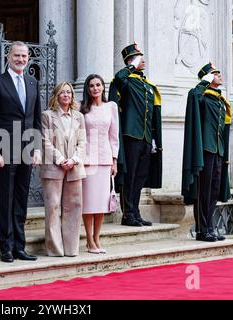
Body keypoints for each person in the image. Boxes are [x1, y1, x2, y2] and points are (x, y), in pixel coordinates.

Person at [0, 41, 42, 263]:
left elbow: (36, 119)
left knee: (21, 199)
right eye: (16, 55)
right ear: (8, 57)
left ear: (28, 58)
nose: (20, 59)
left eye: (24, 56)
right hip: (5, 146)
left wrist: (36, 148)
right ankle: (6, 248)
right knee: (6, 199)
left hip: (27, 147)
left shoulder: (32, 82)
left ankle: (20, 246)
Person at [111, 42, 163, 228]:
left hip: (146, 138)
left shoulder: (147, 85)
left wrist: (155, 140)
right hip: (131, 135)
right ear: (130, 61)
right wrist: (130, 66)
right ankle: (128, 214)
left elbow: (152, 114)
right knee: (130, 176)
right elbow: (118, 79)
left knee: (140, 177)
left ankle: (136, 212)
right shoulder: (126, 81)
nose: (144, 61)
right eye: (139, 58)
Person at [182, 62, 232, 242]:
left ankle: (209, 227)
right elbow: (192, 95)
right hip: (205, 150)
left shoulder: (218, 99)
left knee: (213, 191)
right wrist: (204, 82)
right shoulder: (201, 96)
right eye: (215, 74)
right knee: (203, 191)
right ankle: (202, 230)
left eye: (218, 73)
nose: (219, 75)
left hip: (217, 149)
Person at [41, 82, 86, 257]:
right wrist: (60, 160)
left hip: (74, 167)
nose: (66, 95)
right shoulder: (47, 116)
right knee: (53, 207)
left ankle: (71, 248)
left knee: (74, 207)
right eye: (62, 92)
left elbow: (83, 142)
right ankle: (55, 249)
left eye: (69, 92)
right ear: (56, 95)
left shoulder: (79, 117)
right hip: (53, 167)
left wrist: (74, 159)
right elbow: (45, 141)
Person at [80, 74, 119, 254]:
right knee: (89, 202)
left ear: (103, 87)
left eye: (98, 85)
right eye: (91, 86)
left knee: (101, 203)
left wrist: (114, 161)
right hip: (88, 160)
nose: (95, 88)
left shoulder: (111, 107)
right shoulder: (82, 108)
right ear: (87, 89)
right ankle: (89, 239)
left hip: (105, 159)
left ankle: (97, 237)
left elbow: (114, 136)